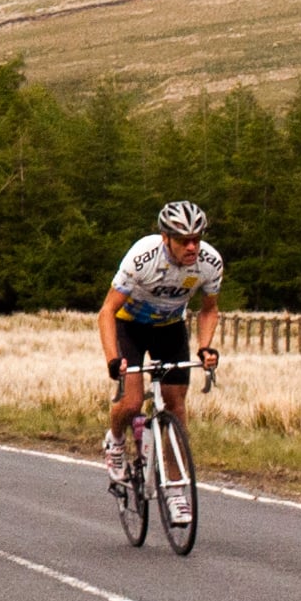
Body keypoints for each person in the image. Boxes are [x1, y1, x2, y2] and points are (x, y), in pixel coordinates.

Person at [98, 200, 224, 481]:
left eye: (196, 239)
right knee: (131, 403)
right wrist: (112, 359)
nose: (192, 247)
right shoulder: (142, 257)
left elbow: (209, 310)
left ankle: (176, 485)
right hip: (129, 326)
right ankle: (116, 439)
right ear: (166, 238)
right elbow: (106, 311)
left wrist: (205, 348)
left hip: (169, 328)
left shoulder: (210, 262)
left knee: (176, 406)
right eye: (183, 241)